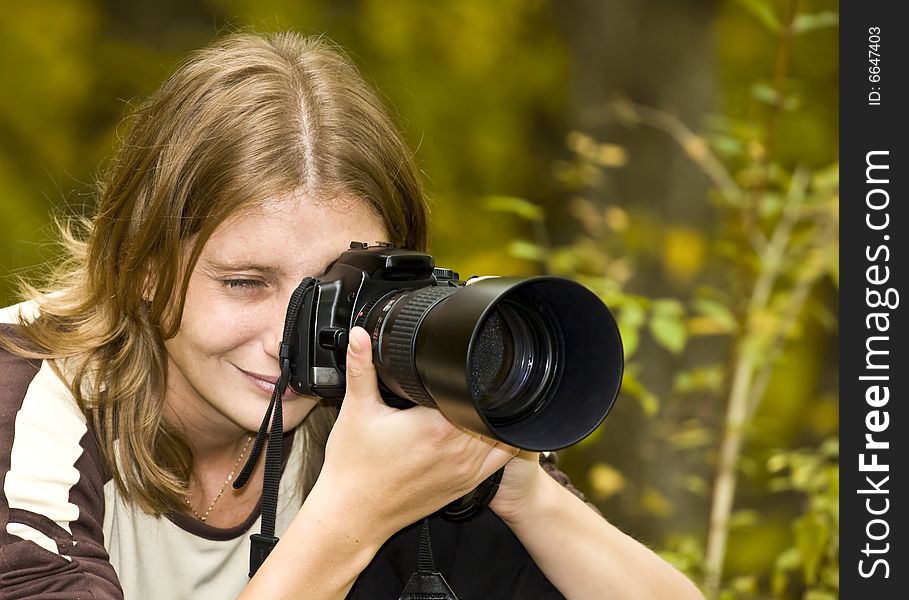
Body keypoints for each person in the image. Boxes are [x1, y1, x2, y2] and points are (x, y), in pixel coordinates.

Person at [0, 31, 704, 599]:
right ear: (144, 269)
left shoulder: (376, 400)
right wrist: (349, 520)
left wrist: (523, 495)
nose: (288, 339)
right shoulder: (30, 396)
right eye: (245, 282)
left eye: (335, 290)